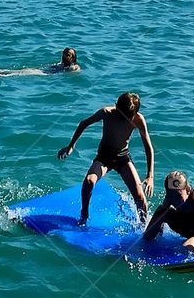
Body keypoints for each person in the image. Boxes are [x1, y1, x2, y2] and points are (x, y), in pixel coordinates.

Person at [57, 92, 154, 225]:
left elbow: (148, 147)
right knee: (89, 181)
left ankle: (145, 226)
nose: (123, 119)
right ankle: (84, 214)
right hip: (104, 157)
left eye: (127, 117)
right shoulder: (106, 112)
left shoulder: (138, 119)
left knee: (140, 196)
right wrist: (70, 147)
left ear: (135, 113)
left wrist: (150, 176)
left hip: (123, 157)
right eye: (121, 115)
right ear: (116, 107)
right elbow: (83, 123)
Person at [0, 47, 81, 77]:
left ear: (73, 58)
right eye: (64, 54)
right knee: (27, 70)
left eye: (68, 55)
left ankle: (4, 74)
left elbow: (75, 69)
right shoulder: (61, 64)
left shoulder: (74, 67)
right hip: (46, 71)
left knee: (27, 72)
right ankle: (4, 71)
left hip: (48, 74)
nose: (65, 56)